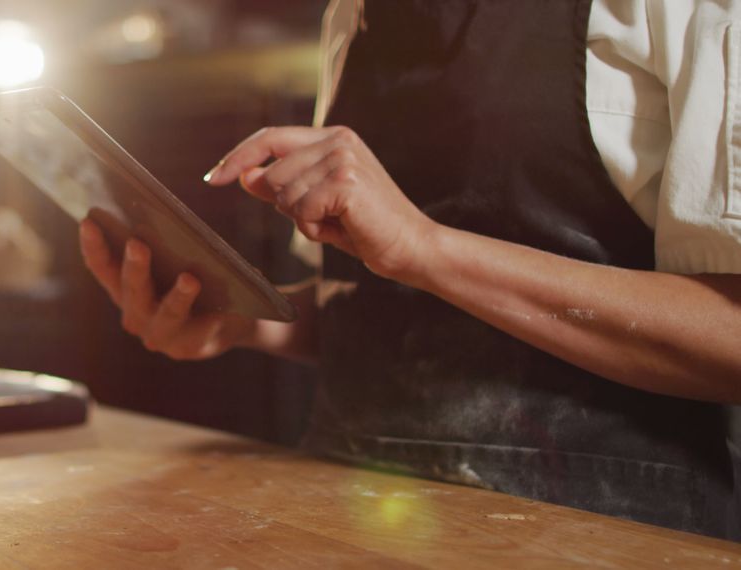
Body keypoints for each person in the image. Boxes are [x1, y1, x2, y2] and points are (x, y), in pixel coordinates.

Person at [78, 0, 741, 539]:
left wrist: (425, 248)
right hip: (354, 515)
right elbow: (378, 308)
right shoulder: (352, 16)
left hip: (605, 532)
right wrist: (246, 320)